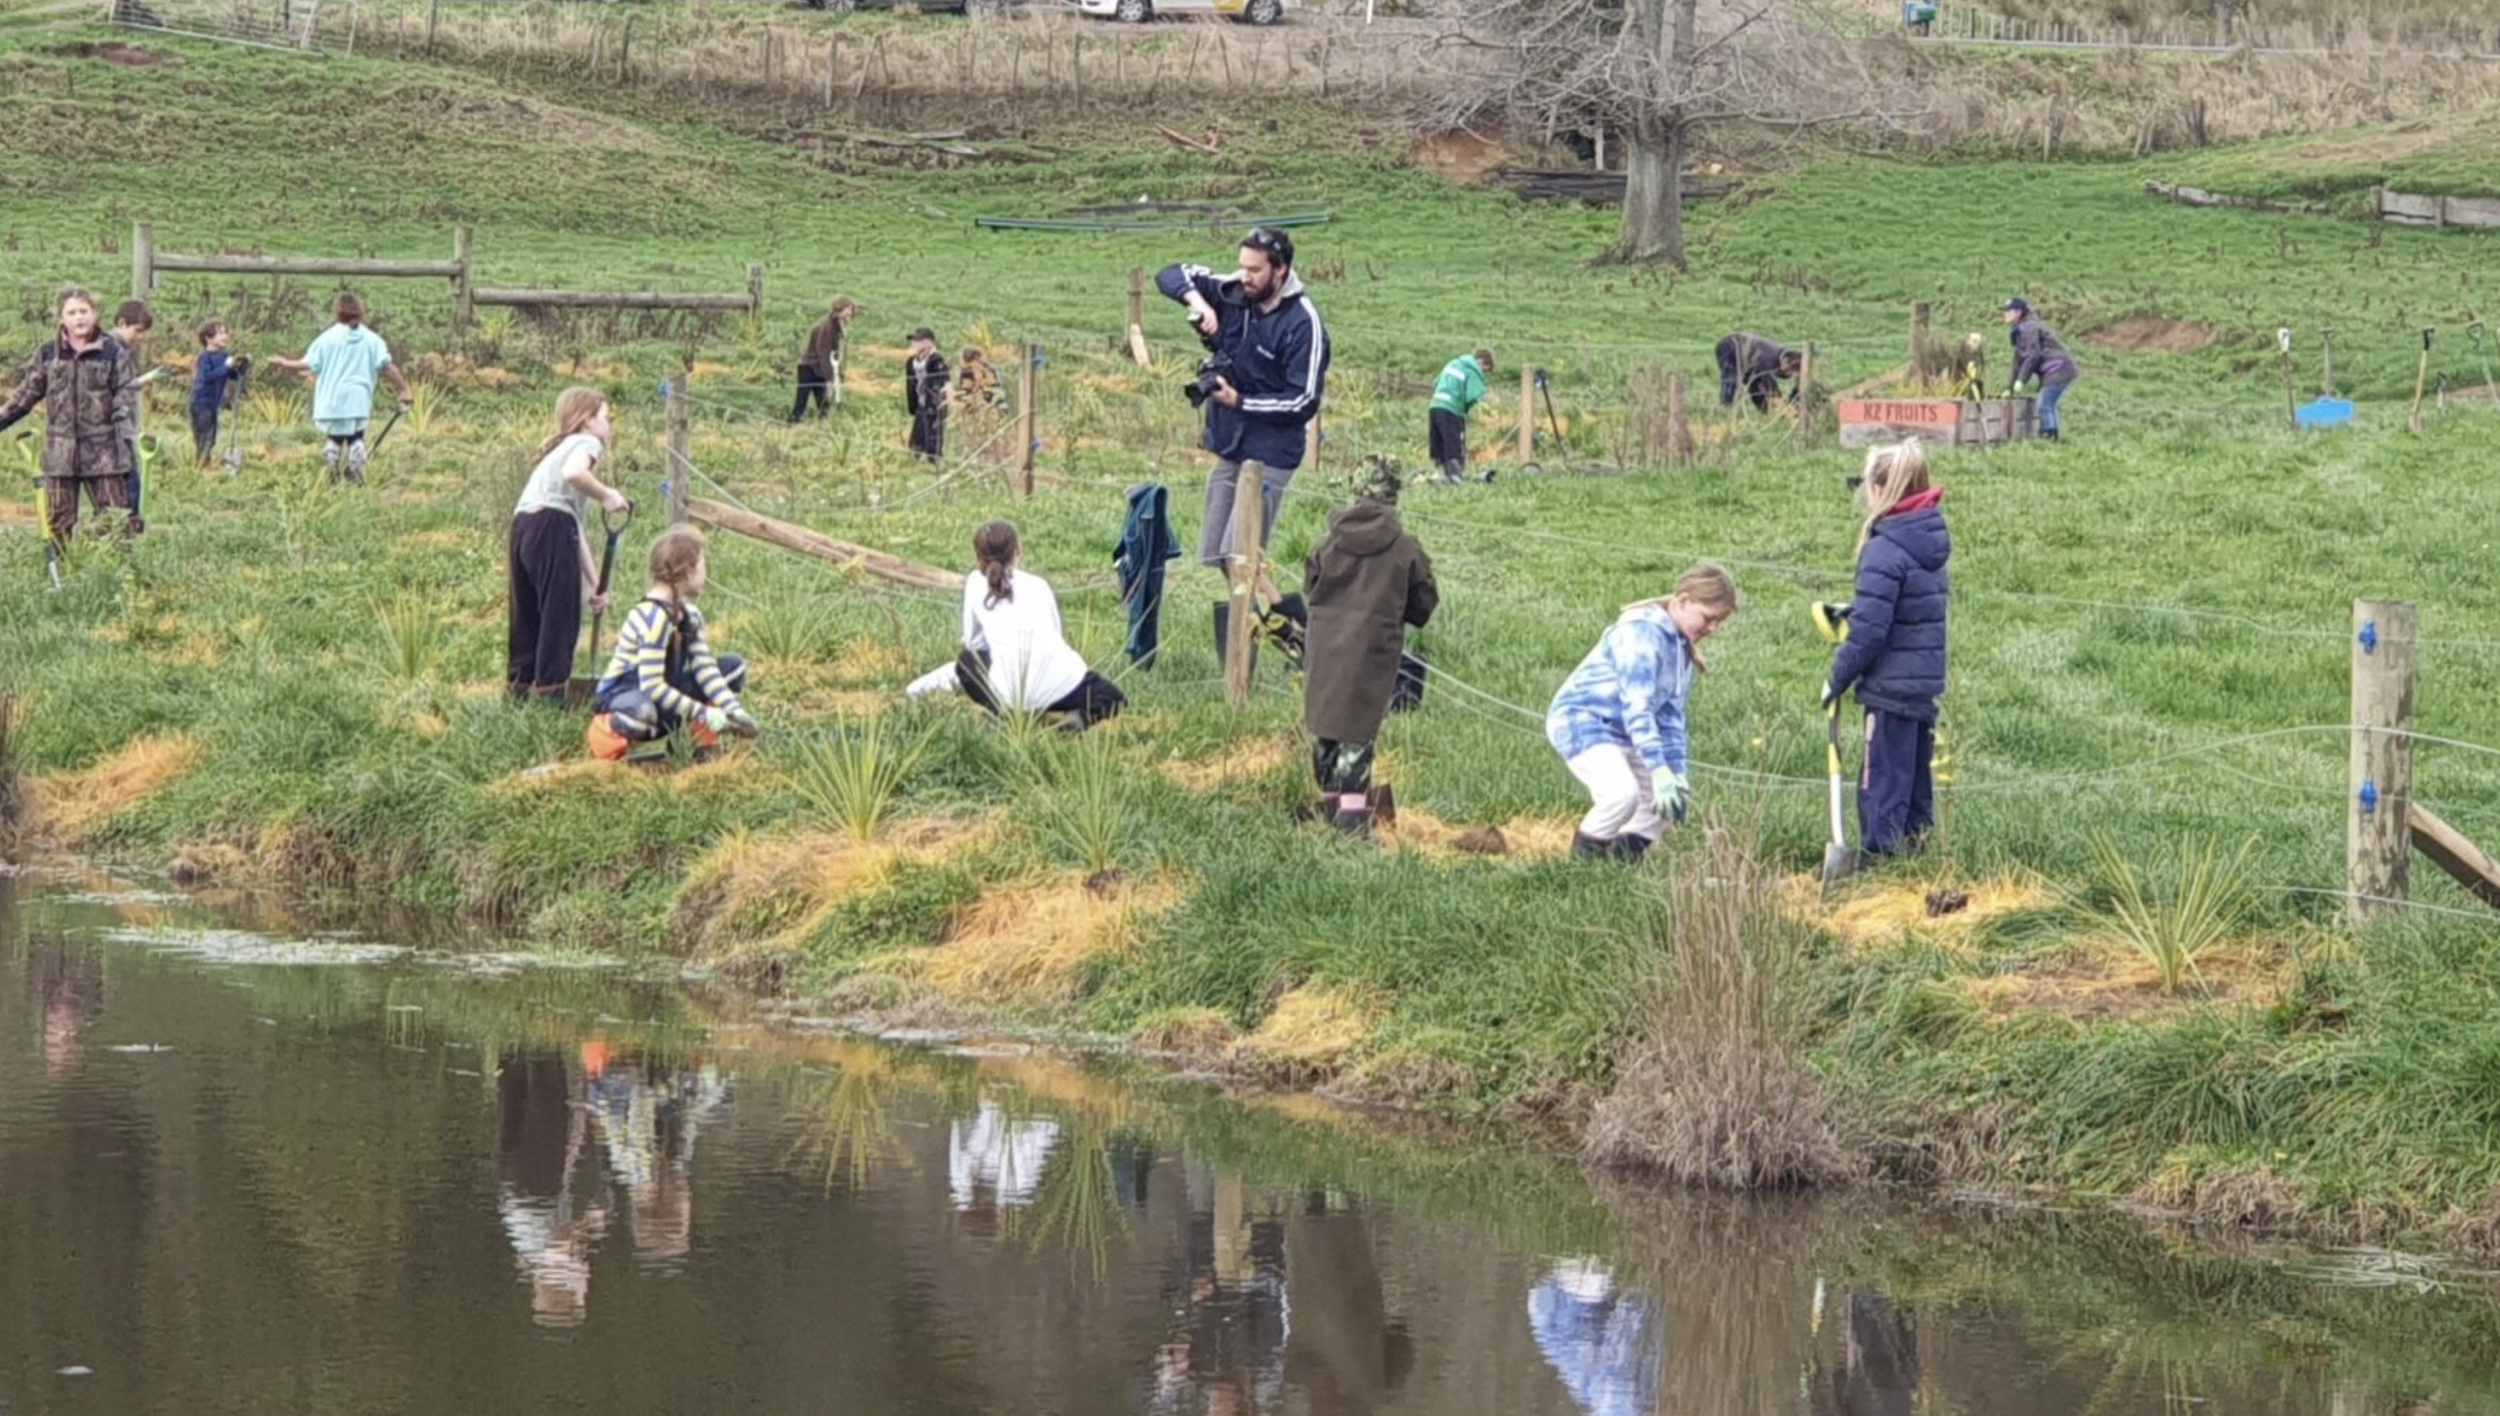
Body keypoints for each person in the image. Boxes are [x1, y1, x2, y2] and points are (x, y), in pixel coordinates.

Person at [1157, 226, 1330, 605]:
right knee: (1223, 557)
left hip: (1271, 453)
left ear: (1280, 270)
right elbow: (1169, 274)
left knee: (1243, 558)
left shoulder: (1303, 323)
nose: (1244, 277)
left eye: (1254, 270)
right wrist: (1199, 304)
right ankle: (1251, 632)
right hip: (1231, 446)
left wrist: (1240, 401)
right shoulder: (1233, 291)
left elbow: (1303, 401)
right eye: (1242, 266)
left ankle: (1298, 634)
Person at [1546, 563, 1740, 861]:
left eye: (1719, 622)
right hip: (1583, 721)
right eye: (1708, 618)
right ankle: (1581, 871)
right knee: (1621, 794)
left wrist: (1676, 773)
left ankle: (1618, 868)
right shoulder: (1640, 634)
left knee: (1663, 807)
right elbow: (1638, 707)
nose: (1713, 629)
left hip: (1627, 732)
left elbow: (1670, 718)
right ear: (1683, 601)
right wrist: (1658, 770)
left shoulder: (1681, 648)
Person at [1823, 439, 1949, 857]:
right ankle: (1915, 857)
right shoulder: (1927, 538)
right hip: (1922, 680)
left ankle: (1880, 861)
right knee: (1912, 778)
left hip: (1890, 686)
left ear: (1881, 488)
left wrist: (1837, 677)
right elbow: (1903, 608)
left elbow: (1871, 633)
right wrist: (1858, 611)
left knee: (1881, 781)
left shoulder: (1884, 548)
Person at [1301, 457, 1437, 836]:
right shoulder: (1406, 549)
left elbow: (1311, 586)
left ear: (1354, 492)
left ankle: (1329, 811)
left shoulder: (1327, 544)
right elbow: (1423, 604)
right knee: (1357, 735)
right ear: (1393, 496)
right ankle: (1352, 824)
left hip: (1325, 648)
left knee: (1325, 726)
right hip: (1372, 651)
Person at [906, 520, 1127, 730]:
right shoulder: (1039, 585)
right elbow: (1056, 635)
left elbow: (974, 643)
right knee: (1113, 697)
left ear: (977, 557)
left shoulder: (974, 584)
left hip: (1010, 695)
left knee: (967, 661)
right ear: (1018, 551)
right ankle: (1079, 717)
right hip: (1061, 685)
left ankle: (999, 712)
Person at [588, 527, 758, 763]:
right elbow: (652, 685)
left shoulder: (690, 615)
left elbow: (705, 668)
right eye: (703, 566)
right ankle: (606, 735)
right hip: (627, 696)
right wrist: (704, 713)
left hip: (665, 696)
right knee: (641, 713)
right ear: (687, 571)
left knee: (733, 668)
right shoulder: (653, 618)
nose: (706, 574)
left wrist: (733, 712)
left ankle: (692, 741)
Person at [507, 387, 633, 705]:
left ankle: (518, 692)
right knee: (559, 615)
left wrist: (595, 584)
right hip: (551, 527)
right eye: (605, 417)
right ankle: (551, 697)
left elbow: (572, 527)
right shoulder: (587, 443)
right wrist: (607, 495)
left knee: (527, 613)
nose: (609, 425)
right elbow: (574, 473)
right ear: (588, 420)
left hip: (523, 527)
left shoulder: (558, 450)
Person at [0, 286, 140, 548]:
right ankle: (61, 570)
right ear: (61, 318)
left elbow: (127, 389)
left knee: (115, 519)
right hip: (60, 453)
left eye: (84, 311)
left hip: (104, 452)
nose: (79, 317)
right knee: (58, 522)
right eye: (72, 312)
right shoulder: (48, 354)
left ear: (95, 314)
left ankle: (115, 570)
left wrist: (121, 410)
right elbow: (26, 395)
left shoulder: (113, 351)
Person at [267, 291, 412, 482]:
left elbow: (307, 363)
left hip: (331, 399)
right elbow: (387, 367)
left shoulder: (326, 339)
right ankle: (355, 470)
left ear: (337, 312)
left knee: (334, 436)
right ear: (360, 311)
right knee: (355, 437)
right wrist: (403, 389)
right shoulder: (372, 339)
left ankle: (332, 467)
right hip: (358, 399)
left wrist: (284, 362)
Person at [2001, 297, 2078, 441]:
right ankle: (2052, 436)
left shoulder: (2028, 327)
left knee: (2045, 404)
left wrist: (2021, 380)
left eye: (2008, 311)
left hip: (2058, 367)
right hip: (2057, 368)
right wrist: (2010, 387)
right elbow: (2018, 361)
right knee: (2048, 404)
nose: (2004, 314)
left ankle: (2048, 436)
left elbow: (2033, 356)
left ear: (2018, 312)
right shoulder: (2021, 329)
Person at [1427, 348, 1493, 484]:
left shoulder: (1453, 363)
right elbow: (1472, 395)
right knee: (1453, 444)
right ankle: (1455, 477)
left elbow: (1436, 383)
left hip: (1434, 406)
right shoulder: (1474, 370)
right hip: (1451, 410)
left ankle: (1438, 474)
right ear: (1482, 362)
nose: (1483, 373)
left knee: (1438, 443)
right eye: (1485, 370)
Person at [188, 320, 247, 467]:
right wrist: (227, 366)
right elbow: (208, 376)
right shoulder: (204, 357)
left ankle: (205, 463)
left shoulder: (224, 356)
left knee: (212, 436)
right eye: (220, 333)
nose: (225, 336)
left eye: (226, 333)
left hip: (214, 403)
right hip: (201, 402)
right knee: (204, 436)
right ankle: (202, 465)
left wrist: (242, 367)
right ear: (208, 338)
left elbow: (233, 376)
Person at [789, 295, 854, 423]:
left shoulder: (836, 323)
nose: (851, 313)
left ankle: (823, 426)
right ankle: (791, 424)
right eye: (849, 309)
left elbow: (835, 353)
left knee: (823, 404)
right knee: (801, 403)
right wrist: (830, 377)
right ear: (841, 308)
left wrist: (838, 372)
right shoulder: (827, 326)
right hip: (809, 367)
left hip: (818, 368)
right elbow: (823, 353)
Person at [1715, 332, 1801, 412]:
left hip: (1749, 359)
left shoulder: (1778, 357)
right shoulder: (1769, 359)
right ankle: (1726, 408)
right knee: (1732, 379)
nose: (1788, 374)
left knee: (1756, 384)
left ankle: (1764, 411)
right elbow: (1772, 390)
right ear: (1785, 360)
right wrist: (1785, 409)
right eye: (1788, 370)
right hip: (1730, 347)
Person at [904, 327, 949, 463]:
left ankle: (934, 461)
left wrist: (936, 404)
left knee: (933, 435)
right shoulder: (912, 362)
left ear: (929, 343)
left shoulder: (937, 361)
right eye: (914, 341)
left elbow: (941, 383)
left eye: (919, 341)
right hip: (920, 402)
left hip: (934, 404)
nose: (914, 343)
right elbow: (910, 383)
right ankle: (915, 458)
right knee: (917, 435)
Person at [954, 345, 1002, 413]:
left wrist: (983, 375)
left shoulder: (988, 367)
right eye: (972, 362)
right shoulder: (966, 371)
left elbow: (994, 383)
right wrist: (977, 383)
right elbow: (966, 389)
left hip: (990, 396)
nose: (977, 363)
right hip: (973, 397)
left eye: (978, 360)